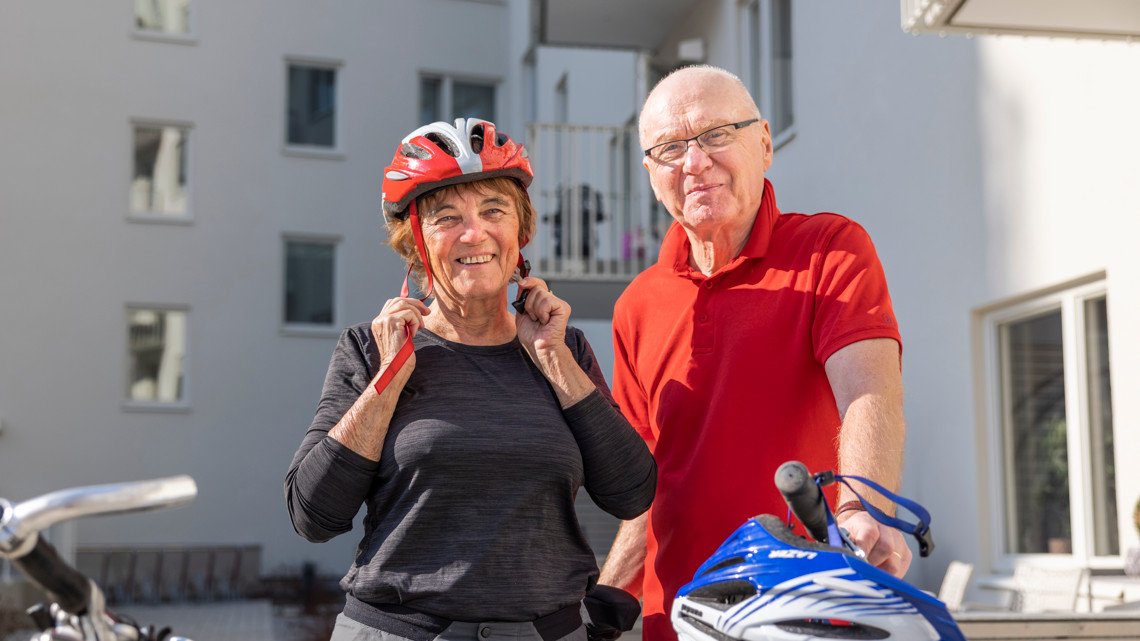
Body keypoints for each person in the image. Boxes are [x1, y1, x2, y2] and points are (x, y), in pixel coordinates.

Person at [286, 118, 656, 641]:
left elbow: (631, 493)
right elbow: (313, 516)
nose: (474, 233)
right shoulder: (369, 349)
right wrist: (389, 378)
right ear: (415, 240)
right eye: (446, 217)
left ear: (520, 231)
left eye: (493, 211)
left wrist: (552, 357)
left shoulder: (563, 349)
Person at [597, 65, 910, 641]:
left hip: (809, 613)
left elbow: (870, 394)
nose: (694, 163)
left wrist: (861, 507)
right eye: (669, 148)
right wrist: (606, 601)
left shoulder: (831, 250)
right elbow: (650, 483)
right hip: (678, 621)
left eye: (717, 134)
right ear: (650, 173)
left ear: (763, 143)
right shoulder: (635, 305)